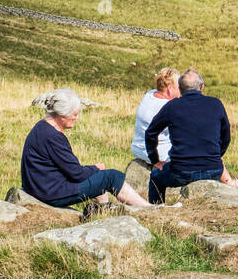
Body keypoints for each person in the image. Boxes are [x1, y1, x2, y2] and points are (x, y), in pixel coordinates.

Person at [21, 89, 150, 209]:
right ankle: (148, 209)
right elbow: (76, 173)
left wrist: (93, 171)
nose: (77, 118)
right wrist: (95, 168)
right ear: (62, 115)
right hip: (51, 193)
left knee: (99, 177)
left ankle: (104, 210)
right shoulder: (53, 137)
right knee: (111, 177)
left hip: (40, 187)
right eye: (75, 114)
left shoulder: (41, 127)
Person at [129, 67, 238, 194]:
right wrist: (217, 155)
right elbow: (226, 136)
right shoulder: (216, 104)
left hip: (181, 172)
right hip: (214, 170)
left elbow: (150, 133)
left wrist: (155, 161)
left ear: (180, 89)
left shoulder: (171, 106)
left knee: (155, 177)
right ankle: (229, 184)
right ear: (202, 87)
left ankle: (158, 209)